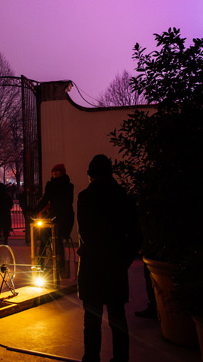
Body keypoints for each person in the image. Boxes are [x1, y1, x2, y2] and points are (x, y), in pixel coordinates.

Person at [77, 155, 141, 362]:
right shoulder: (124, 196)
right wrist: (123, 260)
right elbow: (135, 235)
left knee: (92, 319)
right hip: (116, 266)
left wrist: (96, 255)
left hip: (92, 267)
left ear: (90, 175)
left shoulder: (85, 197)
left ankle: (92, 358)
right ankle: (121, 358)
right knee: (118, 317)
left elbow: (86, 233)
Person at [36, 163, 75, 273]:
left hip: (64, 216)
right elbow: (45, 199)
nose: (55, 173)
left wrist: (54, 210)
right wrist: (36, 210)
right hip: (53, 215)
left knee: (57, 238)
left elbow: (67, 202)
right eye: (53, 171)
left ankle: (59, 265)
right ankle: (41, 263)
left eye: (57, 171)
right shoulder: (50, 185)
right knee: (44, 236)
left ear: (62, 173)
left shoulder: (68, 185)